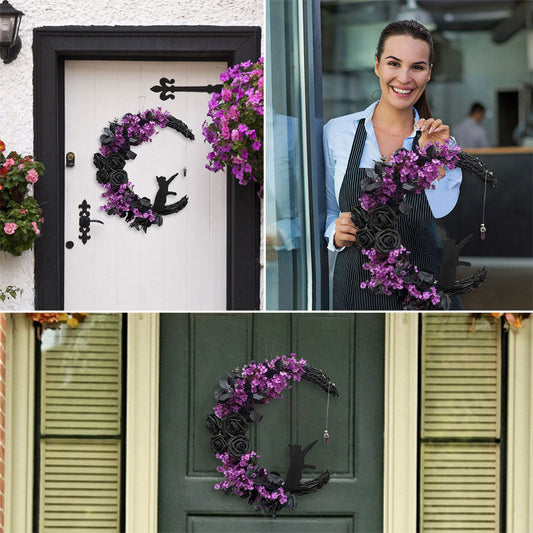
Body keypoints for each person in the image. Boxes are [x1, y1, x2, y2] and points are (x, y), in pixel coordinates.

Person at [324, 19, 463, 310]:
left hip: (424, 286)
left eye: (417, 67)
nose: (404, 78)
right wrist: (334, 235)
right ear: (377, 66)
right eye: (393, 63)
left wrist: (432, 157)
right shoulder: (337, 132)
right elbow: (327, 210)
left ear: (428, 74)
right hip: (355, 287)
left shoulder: (441, 142)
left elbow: (440, 211)